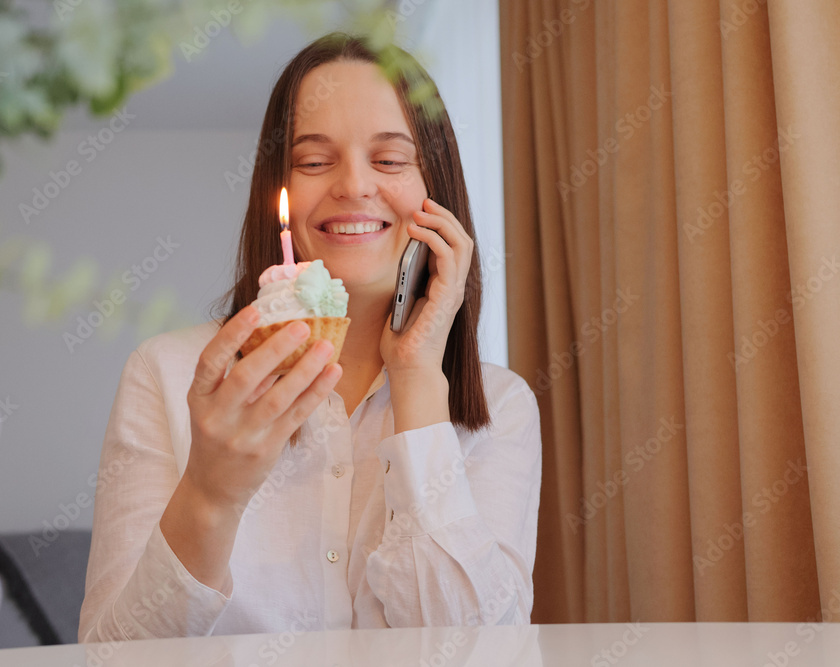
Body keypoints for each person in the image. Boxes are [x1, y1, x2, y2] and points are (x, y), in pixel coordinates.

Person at [78, 33, 542, 641]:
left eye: (391, 160)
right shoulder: (166, 373)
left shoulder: (503, 408)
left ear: (439, 195)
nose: (352, 185)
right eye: (314, 161)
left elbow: (477, 650)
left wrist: (417, 379)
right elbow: (113, 657)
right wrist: (210, 495)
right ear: (280, 192)